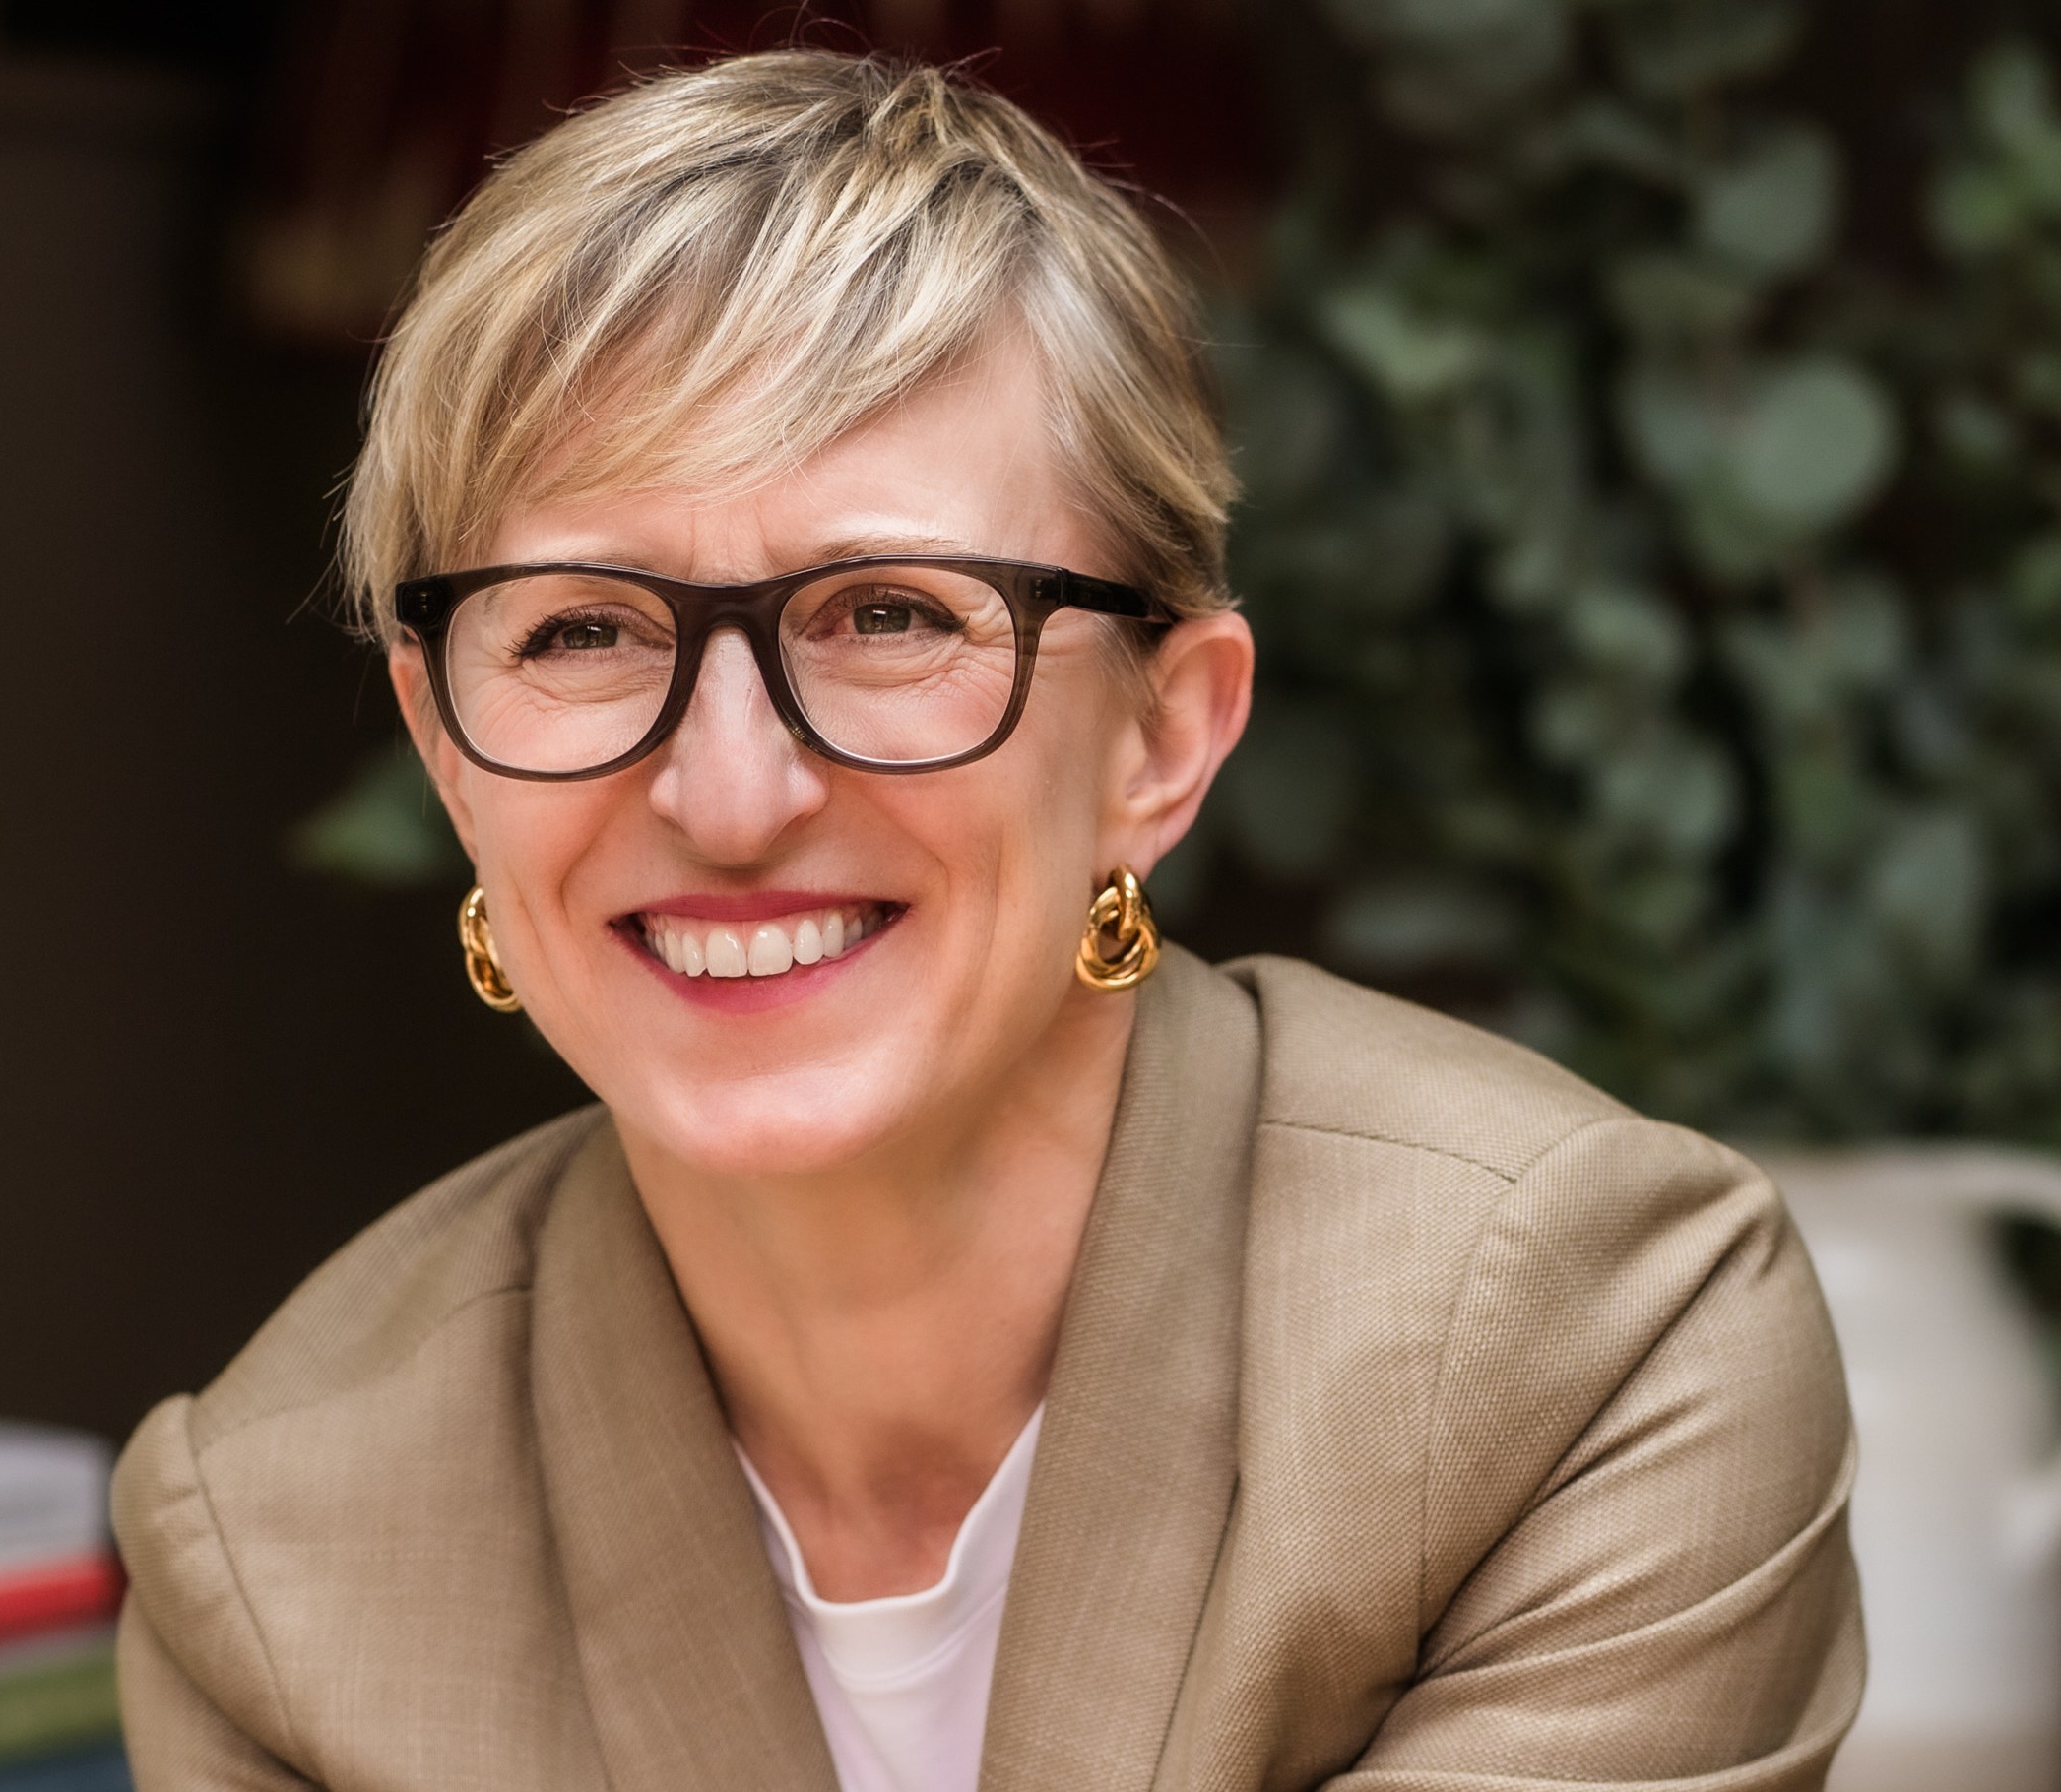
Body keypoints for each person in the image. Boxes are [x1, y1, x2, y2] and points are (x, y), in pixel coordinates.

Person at [112, 49, 1861, 1792]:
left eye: (886, 613)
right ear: (442, 749)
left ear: (1163, 737)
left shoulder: (1576, 1348)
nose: (730, 797)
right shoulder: (277, 1544)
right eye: (581, 630)